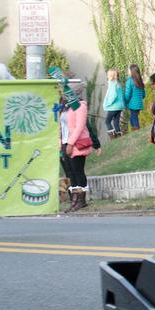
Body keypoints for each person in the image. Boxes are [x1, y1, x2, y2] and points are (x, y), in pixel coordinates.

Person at [59, 78, 93, 213]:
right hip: (65, 142)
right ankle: (74, 199)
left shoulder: (80, 106)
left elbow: (79, 127)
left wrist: (71, 143)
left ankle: (81, 200)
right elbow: (61, 125)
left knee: (78, 172)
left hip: (76, 144)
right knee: (70, 173)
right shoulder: (66, 106)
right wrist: (61, 142)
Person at [103, 68, 126, 138]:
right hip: (119, 107)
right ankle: (119, 136)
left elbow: (113, 95)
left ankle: (113, 137)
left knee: (107, 121)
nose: (107, 76)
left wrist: (108, 103)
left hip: (113, 107)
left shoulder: (112, 84)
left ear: (110, 76)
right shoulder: (118, 83)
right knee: (116, 122)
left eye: (108, 75)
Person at [124, 64, 146, 131]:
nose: (128, 72)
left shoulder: (129, 81)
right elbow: (143, 94)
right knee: (132, 118)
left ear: (131, 71)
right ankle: (135, 131)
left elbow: (127, 94)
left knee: (134, 119)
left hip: (133, 104)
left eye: (128, 70)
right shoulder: (139, 80)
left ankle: (137, 132)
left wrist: (125, 101)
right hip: (139, 104)